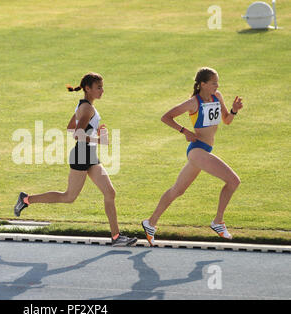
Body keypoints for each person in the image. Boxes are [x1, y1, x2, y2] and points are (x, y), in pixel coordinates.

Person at [14, 72, 137, 247]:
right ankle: (26, 199)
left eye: (102, 87)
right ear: (88, 89)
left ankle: (116, 237)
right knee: (69, 197)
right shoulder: (87, 108)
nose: (102, 91)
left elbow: (71, 127)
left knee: (110, 192)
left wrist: (94, 133)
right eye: (99, 87)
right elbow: (77, 135)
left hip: (89, 154)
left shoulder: (84, 106)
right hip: (81, 154)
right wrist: (99, 139)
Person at [142, 67, 244, 246]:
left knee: (177, 190)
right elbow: (166, 117)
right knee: (233, 181)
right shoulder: (193, 103)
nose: (217, 85)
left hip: (205, 150)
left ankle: (150, 223)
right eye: (213, 83)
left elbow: (226, 120)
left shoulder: (217, 97)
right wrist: (185, 131)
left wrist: (234, 110)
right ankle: (218, 222)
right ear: (202, 84)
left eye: (217, 82)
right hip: (198, 151)